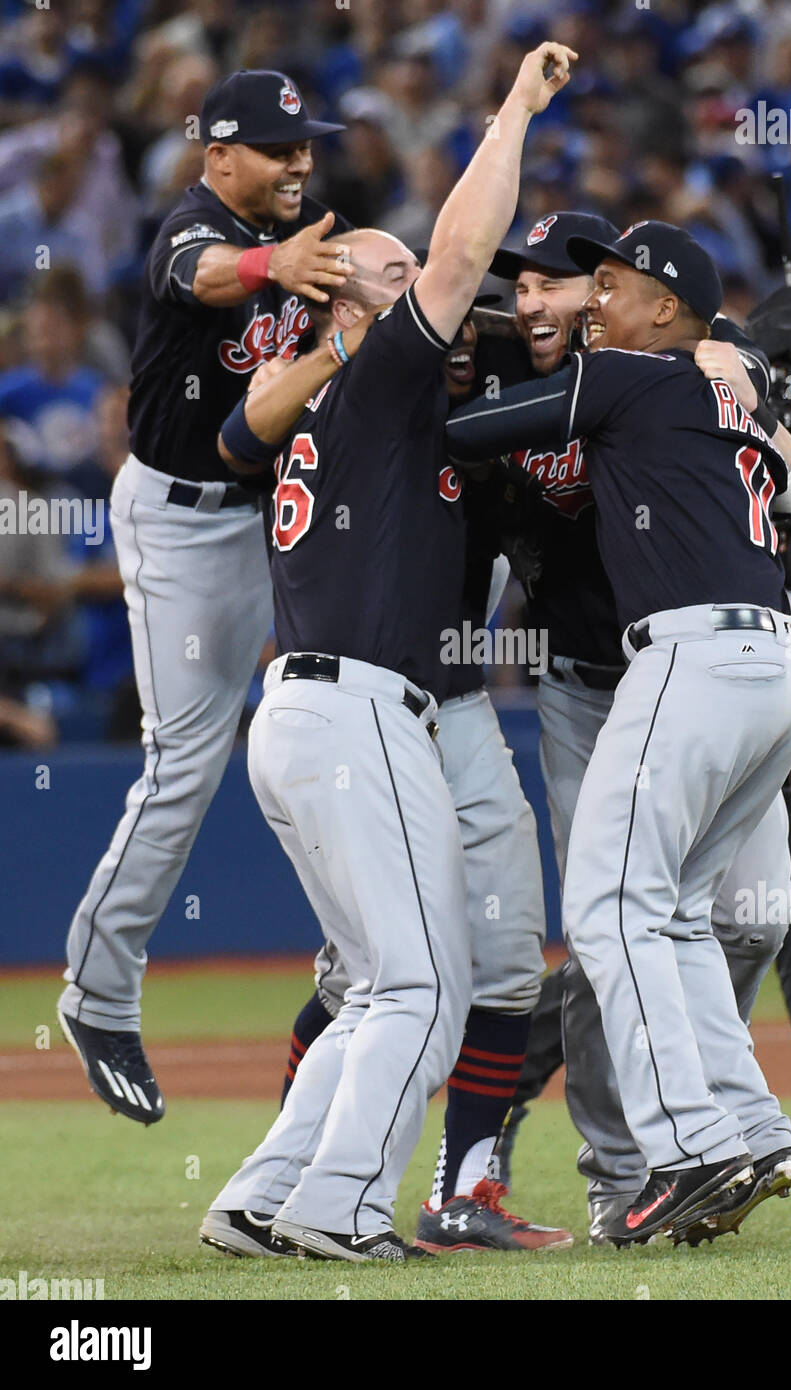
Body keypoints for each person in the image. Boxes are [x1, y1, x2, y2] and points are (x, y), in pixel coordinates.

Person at [198, 40, 577, 1265]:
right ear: (344, 303)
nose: (423, 279)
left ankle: (262, 1194)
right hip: (357, 712)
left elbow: (241, 429)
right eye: (391, 270)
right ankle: (342, 1206)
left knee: (374, 986)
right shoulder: (367, 374)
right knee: (422, 982)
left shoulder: (335, 398)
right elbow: (469, 247)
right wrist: (513, 107)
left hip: (309, 712)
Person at [447, 220, 791, 1246]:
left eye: (605, 284)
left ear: (664, 310)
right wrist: (736, 369)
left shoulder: (627, 375)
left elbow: (462, 434)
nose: (588, 299)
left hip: (685, 658)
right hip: (773, 662)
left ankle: (693, 1148)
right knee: (678, 915)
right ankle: (750, 1127)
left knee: (614, 907)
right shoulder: (713, 390)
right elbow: (787, 483)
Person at [56, 69, 355, 1125]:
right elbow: (205, 275)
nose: (299, 162)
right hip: (183, 519)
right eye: (279, 148)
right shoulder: (193, 224)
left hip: (277, 508)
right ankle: (96, 991)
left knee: (328, 723)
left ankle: (358, 956)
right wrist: (289, 262)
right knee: (185, 759)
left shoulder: (310, 233)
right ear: (218, 153)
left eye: (304, 144)